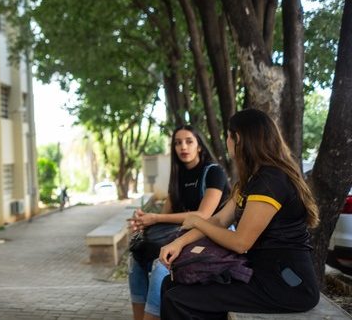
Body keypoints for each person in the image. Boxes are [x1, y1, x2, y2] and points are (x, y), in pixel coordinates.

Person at [159, 109, 320, 319]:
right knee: (170, 284)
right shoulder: (252, 181)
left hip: (287, 285)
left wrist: (197, 220)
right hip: (259, 272)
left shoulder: (270, 181)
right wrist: (179, 243)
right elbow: (218, 220)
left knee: (178, 298)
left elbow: (241, 242)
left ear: (239, 139)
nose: (226, 141)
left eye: (228, 135)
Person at [128, 125, 230, 320]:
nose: (183, 147)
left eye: (189, 141)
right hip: (185, 237)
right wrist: (144, 221)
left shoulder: (214, 172)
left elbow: (203, 215)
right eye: (178, 143)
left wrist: (156, 218)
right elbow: (166, 216)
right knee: (136, 258)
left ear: (199, 146)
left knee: (162, 265)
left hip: (213, 237)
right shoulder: (177, 177)